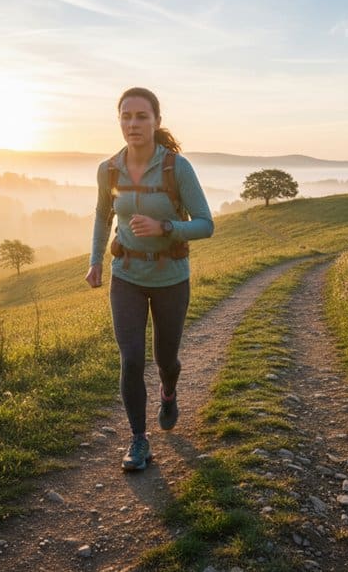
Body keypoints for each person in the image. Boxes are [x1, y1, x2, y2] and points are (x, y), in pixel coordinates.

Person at [85, 87, 214, 471]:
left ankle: (169, 391)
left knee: (165, 358)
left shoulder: (177, 167)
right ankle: (139, 440)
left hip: (171, 278)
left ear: (157, 121)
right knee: (130, 359)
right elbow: (102, 215)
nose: (133, 124)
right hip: (126, 276)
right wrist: (95, 261)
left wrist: (165, 226)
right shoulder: (108, 169)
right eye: (126, 116)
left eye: (141, 116)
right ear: (119, 121)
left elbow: (206, 225)